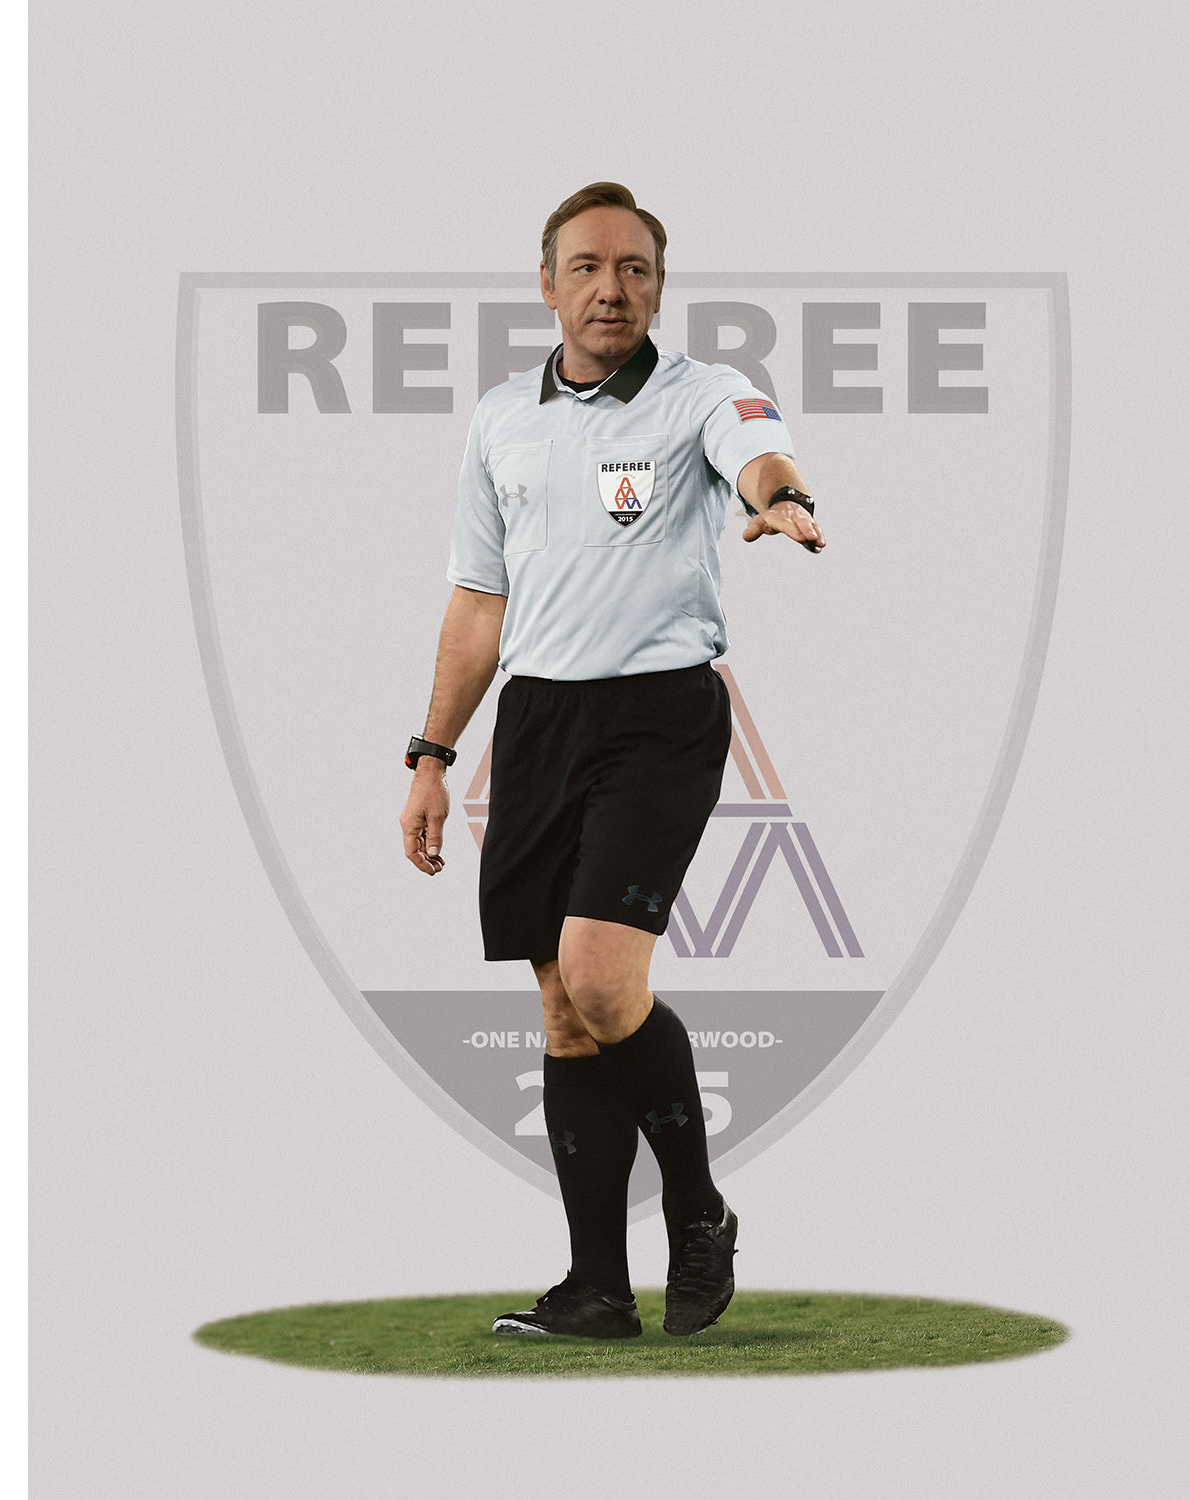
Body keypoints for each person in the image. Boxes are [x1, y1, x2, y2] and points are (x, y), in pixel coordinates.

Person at [397, 182, 826, 1339]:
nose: (610, 288)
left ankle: (697, 1209)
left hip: (657, 718)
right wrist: (432, 755)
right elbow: (477, 600)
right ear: (546, 284)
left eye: (634, 268)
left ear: (659, 285)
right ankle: (595, 1288)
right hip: (537, 721)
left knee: (597, 977)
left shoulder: (702, 393)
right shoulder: (502, 419)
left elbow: (757, 449)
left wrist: (780, 498)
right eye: (586, 266)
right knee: (560, 1009)